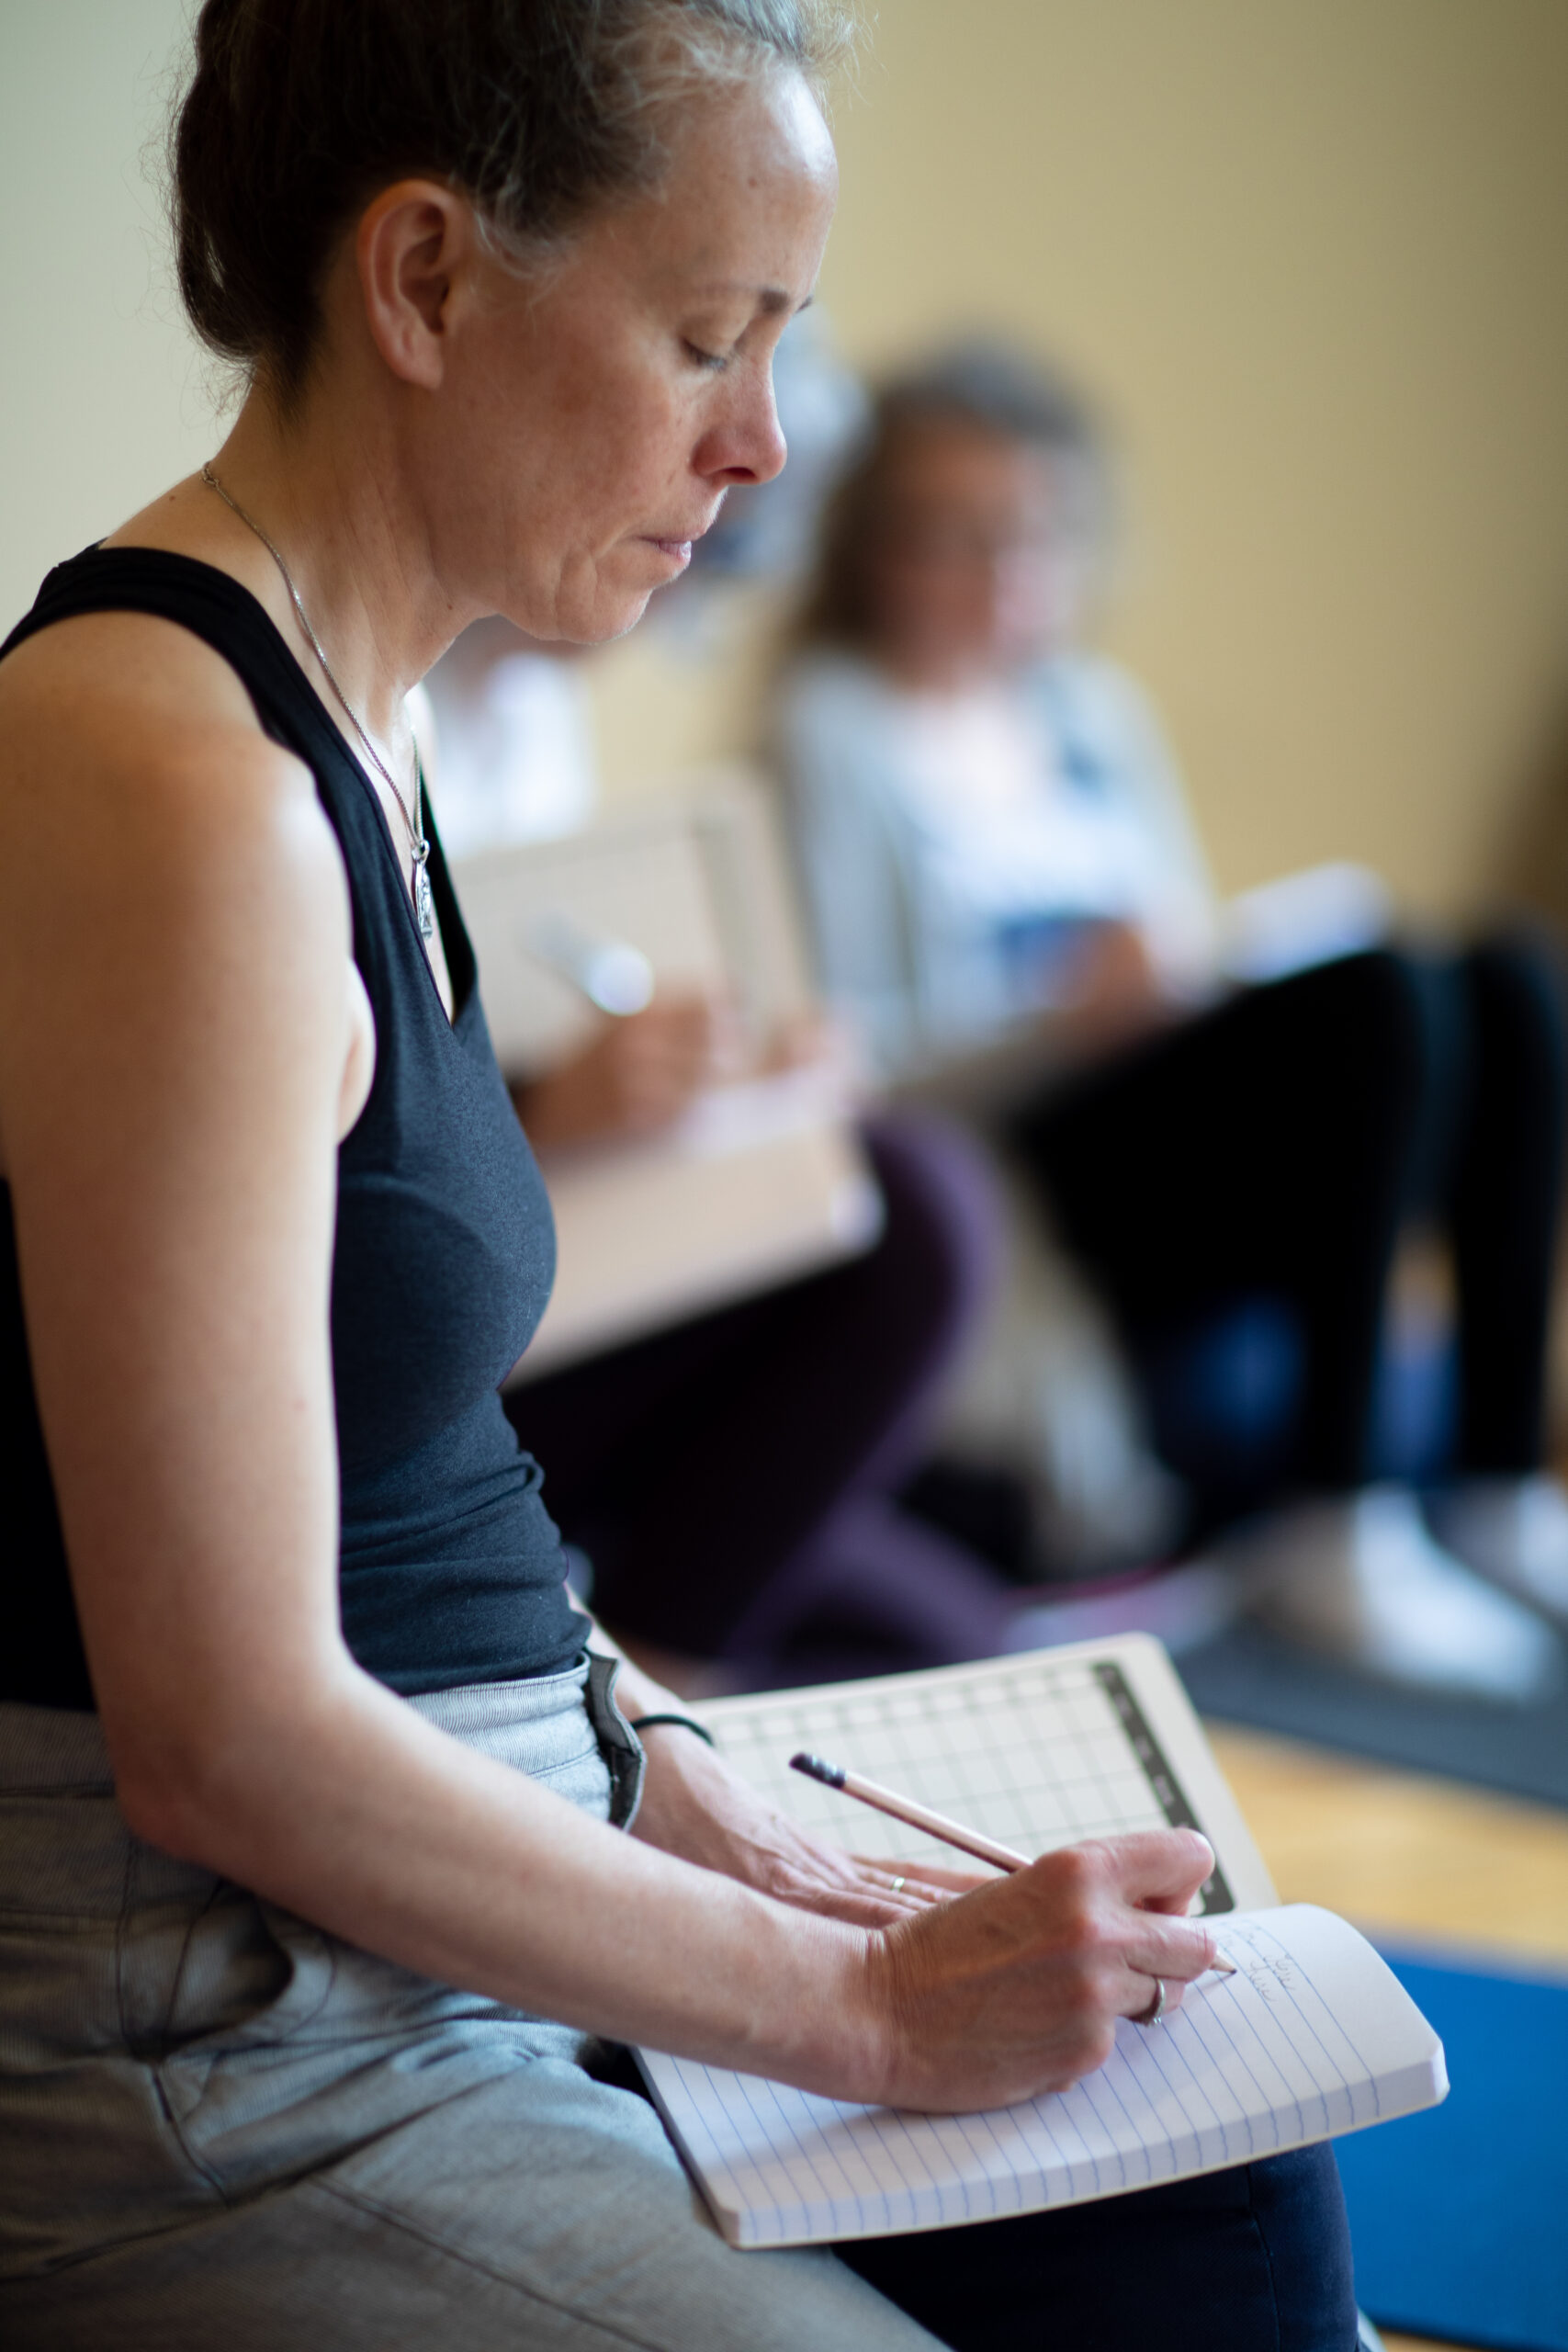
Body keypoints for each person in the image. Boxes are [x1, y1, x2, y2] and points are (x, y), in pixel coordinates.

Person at [0, 6, 1356, 2345]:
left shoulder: (369, 710)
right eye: (705, 337)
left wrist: (674, 1772)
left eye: (778, 355)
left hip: (468, 1869)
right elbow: (219, 1727)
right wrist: (855, 2011)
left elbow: (404, 1463)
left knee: (1220, 2196)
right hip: (228, 2033)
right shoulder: (162, 775)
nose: (754, 448)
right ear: (421, 281)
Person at [775, 339, 1568, 1702]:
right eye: (947, 539)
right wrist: (1057, 1017)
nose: (994, 579)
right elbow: (863, 1070)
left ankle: (1499, 1482)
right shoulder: (830, 729)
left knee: (1497, 977)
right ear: (872, 549)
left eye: (1023, 539)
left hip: (1160, 1110)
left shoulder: (1089, 714)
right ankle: (1338, 1514)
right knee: (1377, 1001)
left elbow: (1183, 952)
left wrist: (1172, 985)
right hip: (1031, 1161)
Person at [421, 616, 1023, 1689]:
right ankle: (646, 1714)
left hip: (591, 1278)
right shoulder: (376, 727)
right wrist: (544, 1112)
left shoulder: (528, 715)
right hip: (458, 1355)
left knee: (952, 1650)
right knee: (916, 1205)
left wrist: (746, 1071)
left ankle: (644, 1672)